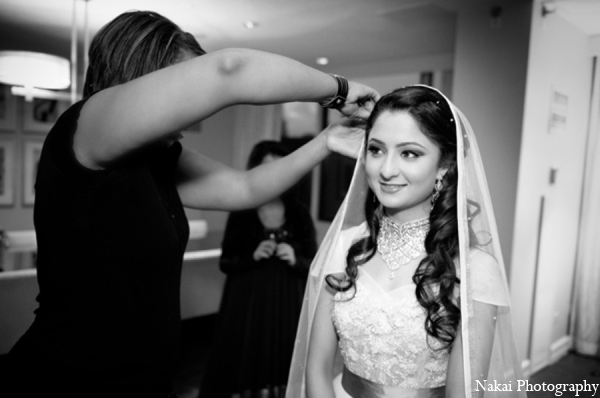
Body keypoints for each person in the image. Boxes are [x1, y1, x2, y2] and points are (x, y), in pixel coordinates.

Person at [3, 10, 379, 398]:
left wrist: (326, 142)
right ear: (143, 79)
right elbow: (230, 70)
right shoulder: (88, 128)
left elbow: (244, 188)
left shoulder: (157, 158)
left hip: (144, 381)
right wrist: (339, 90)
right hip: (67, 382)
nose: (193, 113)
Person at [286, 85, 527, 398]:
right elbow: (316, 369)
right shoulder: (344, 245)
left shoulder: (475, 270)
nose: (386, 170)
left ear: (444, 167)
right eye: (376, 150)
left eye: (409, 153)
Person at [200, 140, 318, 398]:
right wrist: (252, 256)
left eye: (280, 168)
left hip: (287, 306)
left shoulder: (299, 212)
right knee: (245, 363)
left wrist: (295, 258)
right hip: (246, 307)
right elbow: (226, 263)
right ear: (254, 171)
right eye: (267, 169)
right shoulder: (241, 211)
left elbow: (314, 266)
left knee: (283, 363)